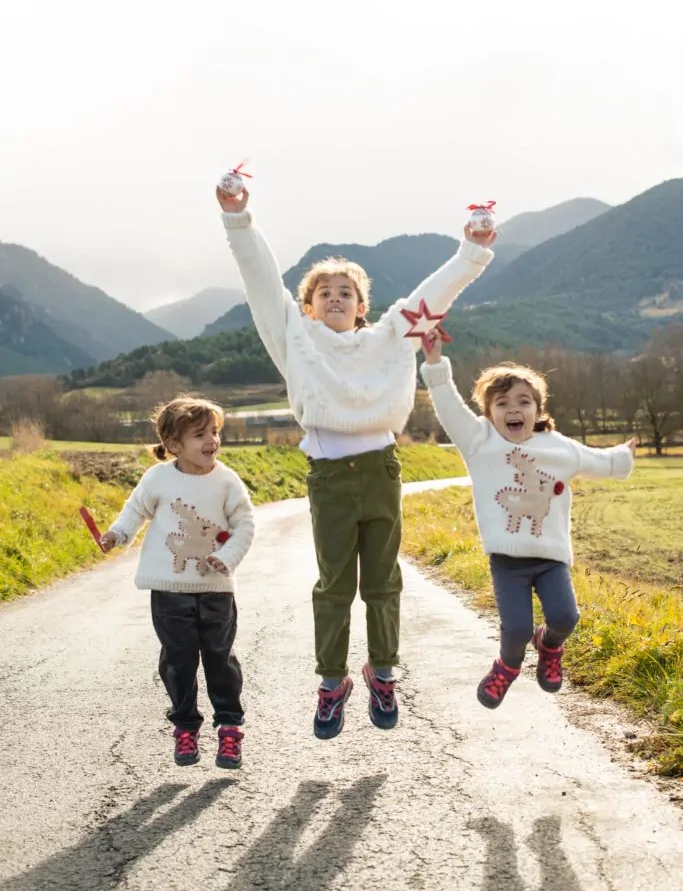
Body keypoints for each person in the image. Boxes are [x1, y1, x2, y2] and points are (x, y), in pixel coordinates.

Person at [216, 183, 495, 739]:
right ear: (308, 306)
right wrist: (238, 217)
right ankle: (331, 683)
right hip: (329, 479)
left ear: (363, 306)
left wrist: (473, 249)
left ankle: (384, 673)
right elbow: (262, 284)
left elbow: (432, 295)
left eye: (347, 291)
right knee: (335, 585)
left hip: (382, 470)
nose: (336, 297)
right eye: (325, 292)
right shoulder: (293, 337)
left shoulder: (393, 334)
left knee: (384, 582)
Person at [420, 332, 635, 709]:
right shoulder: (478, 442)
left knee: (566, 617)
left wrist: (621, 455)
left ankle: (549, 645)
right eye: (501, 403)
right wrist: (436, 364)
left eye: (524, 401)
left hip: (550, 558)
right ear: (489, 414)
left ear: (538, 410)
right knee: (515, 629)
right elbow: (450, 407)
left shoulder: (557, 446)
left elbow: (594, 460)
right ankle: (508, 666)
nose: (513, 409)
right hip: (507, 562)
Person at [100, 396, 255, 767]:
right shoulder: (158, 478)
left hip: (216, 589)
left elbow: (245, 525)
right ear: (173, 445)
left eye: (215, 432)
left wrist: (228, 557)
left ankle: (229, 729)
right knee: (178, 661)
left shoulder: (227, 481)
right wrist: (117, 534)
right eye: (200, 434)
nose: (211, 441)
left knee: (220, 658)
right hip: (169, 590)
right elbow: (135, 510)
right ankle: (185, 726)